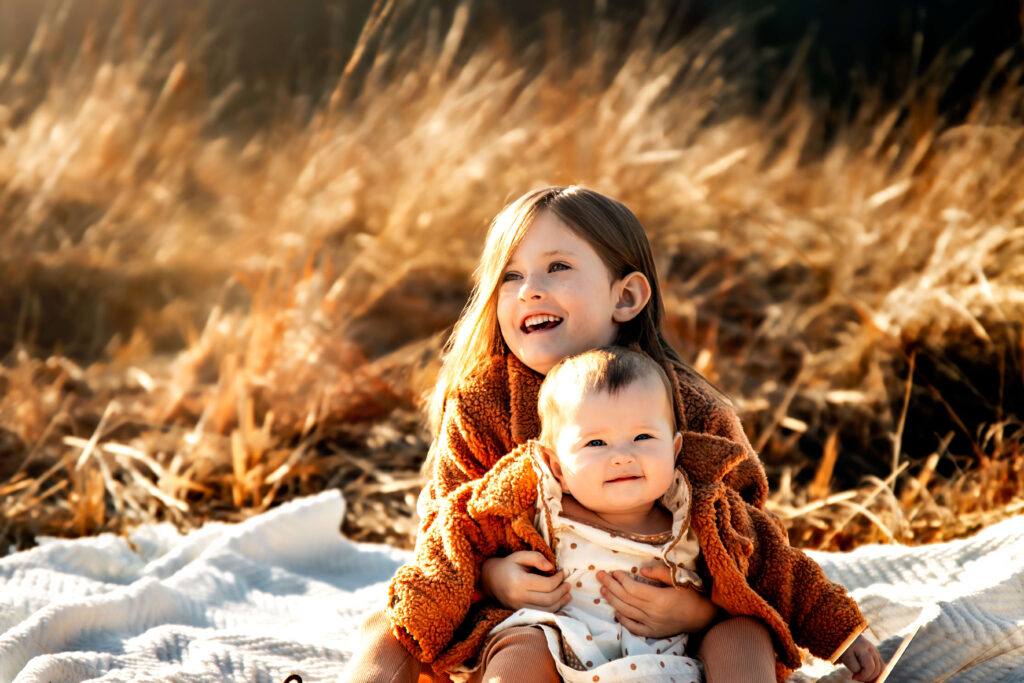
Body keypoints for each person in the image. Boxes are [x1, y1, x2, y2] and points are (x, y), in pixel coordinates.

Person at [346, 186, 794, 683]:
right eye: (510, 276)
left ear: (625, 296)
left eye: (556, 267)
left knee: (745, 636)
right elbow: (443, 531)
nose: (529, 289)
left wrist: (700, 610)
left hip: (676, 633)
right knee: (393, 625)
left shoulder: (689, 406)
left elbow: (753, 542)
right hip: (531, 622)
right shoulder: (483, 402)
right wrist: (494, 579)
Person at [388, 346, 884, 683]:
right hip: (560, 649)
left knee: (744, 632)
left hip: (677, 656)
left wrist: (841, 633)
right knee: (519, 644)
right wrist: (432, 609)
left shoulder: (704, 508)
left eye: (643, 438)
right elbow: (453, 536)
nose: (622, 455)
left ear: (675, 449)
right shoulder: (532, 498)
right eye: (597, 443)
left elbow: (782, 569)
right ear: (554, 463)